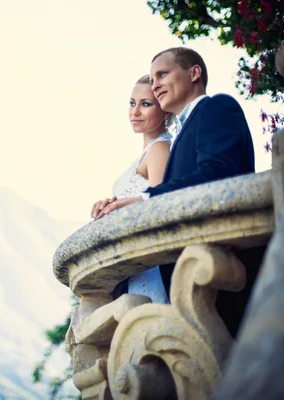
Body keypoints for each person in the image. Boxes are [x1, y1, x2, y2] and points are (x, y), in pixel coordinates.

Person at [97, 47, 257, 336]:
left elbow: (217, 173)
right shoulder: (182, 134)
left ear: (194, 73)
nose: (155, 83)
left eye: (163, 74)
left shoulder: (217, 107)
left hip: (217, 267)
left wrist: (142, 200)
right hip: (188, 274)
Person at [91, 74, 173, 304]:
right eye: (132, 103)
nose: (135, 111)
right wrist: (110, 204)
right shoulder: (147, 152)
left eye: (145, 104)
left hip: (149, 266)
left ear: (165, 110)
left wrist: (120, 205)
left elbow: (159, 200)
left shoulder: (160, 149)